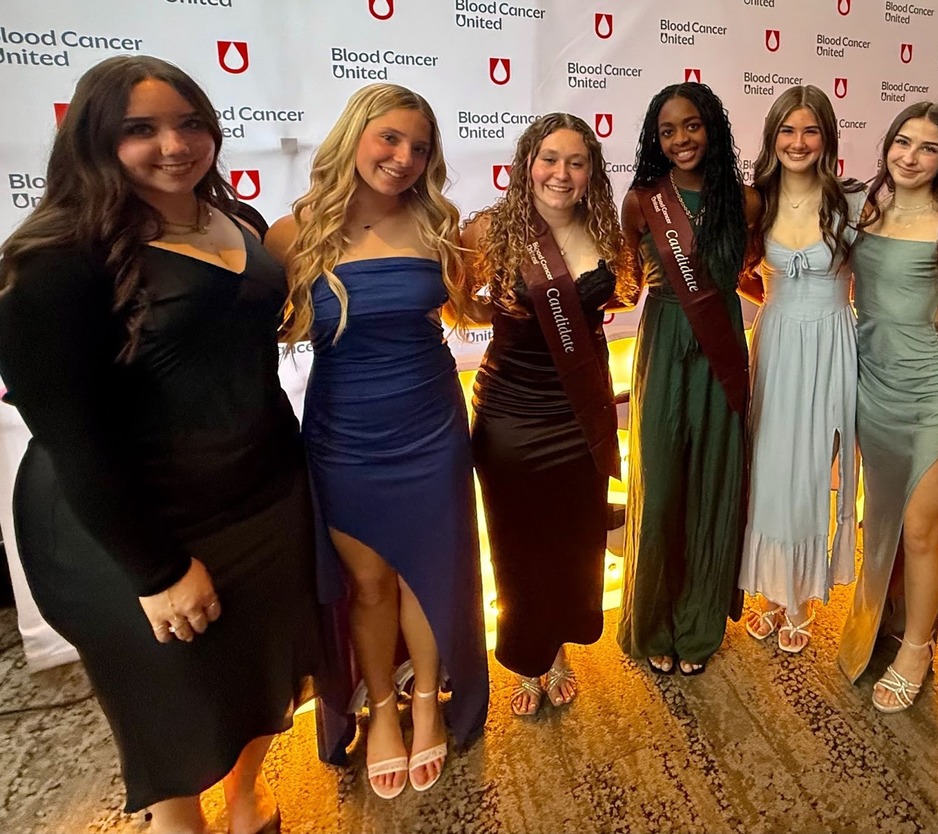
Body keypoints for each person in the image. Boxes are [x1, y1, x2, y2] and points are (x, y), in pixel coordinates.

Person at [0, 56, 318, 834]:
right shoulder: (52, 261)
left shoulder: (238, 219)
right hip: (132, 527)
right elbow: (75, 438)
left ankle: (247, 796)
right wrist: (158, 570)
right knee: (167, 694)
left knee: (261, 666)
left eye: (189, 123)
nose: (174, 145)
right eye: (140, 130)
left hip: (263, 493)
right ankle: (178, 820)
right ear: (94, 139)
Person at [265, 83, 489, 799]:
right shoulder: (292, 234)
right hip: (344, 433)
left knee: (429, 574)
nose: (403, 158)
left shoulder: (438, 225)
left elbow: (474, 306)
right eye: (389, 138)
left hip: (431, 427)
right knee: (366, 584)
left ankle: (427, 702)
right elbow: (249, 331)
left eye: (419, 147)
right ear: (355, 135)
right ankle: (382, 712)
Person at [461, 114, 636, 715]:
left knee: (573, 541)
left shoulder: (608, 234)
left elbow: (626, 294)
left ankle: (558, 651)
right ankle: (527, 660)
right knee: (516, 546)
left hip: (579, 412)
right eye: (549, 159)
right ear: (526, 164)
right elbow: (455, 298)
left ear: (591, 173)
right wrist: (506, 319)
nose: (561, 173)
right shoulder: (490, 231)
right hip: (510, 411)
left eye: (576, 162)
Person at [838, 102, 938, 713]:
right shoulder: (861, 207)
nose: (911, 157)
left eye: (927, 148)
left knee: (921, 531)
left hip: (930, 399)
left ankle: (917, 648)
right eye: (903, 142)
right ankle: (877, 624)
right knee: (880, 524)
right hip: (870, 388)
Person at [616, 82, 760, 676]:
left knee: (713, 483)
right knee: (661, 485)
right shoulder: (640, 200)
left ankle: (699, 627)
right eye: (668, 130)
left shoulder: (746, 202)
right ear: (656, 137)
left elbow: (755, 269)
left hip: (722, 343)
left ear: (714, 129)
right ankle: (653, 623)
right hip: (664, 341)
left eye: (692, 125)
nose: (681, 139)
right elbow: (629, 276)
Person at [739, 86, 865, 653]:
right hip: (775, 340)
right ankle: (769, 588)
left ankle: (802, 595)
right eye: (787, 131)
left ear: (827, 138)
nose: (798, 142)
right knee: (768, 467)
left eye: (810, 130)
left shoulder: (853, 203)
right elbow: (737, 270)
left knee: (815, 468)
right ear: (772, 138)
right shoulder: (754, 201)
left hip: (833, 339)